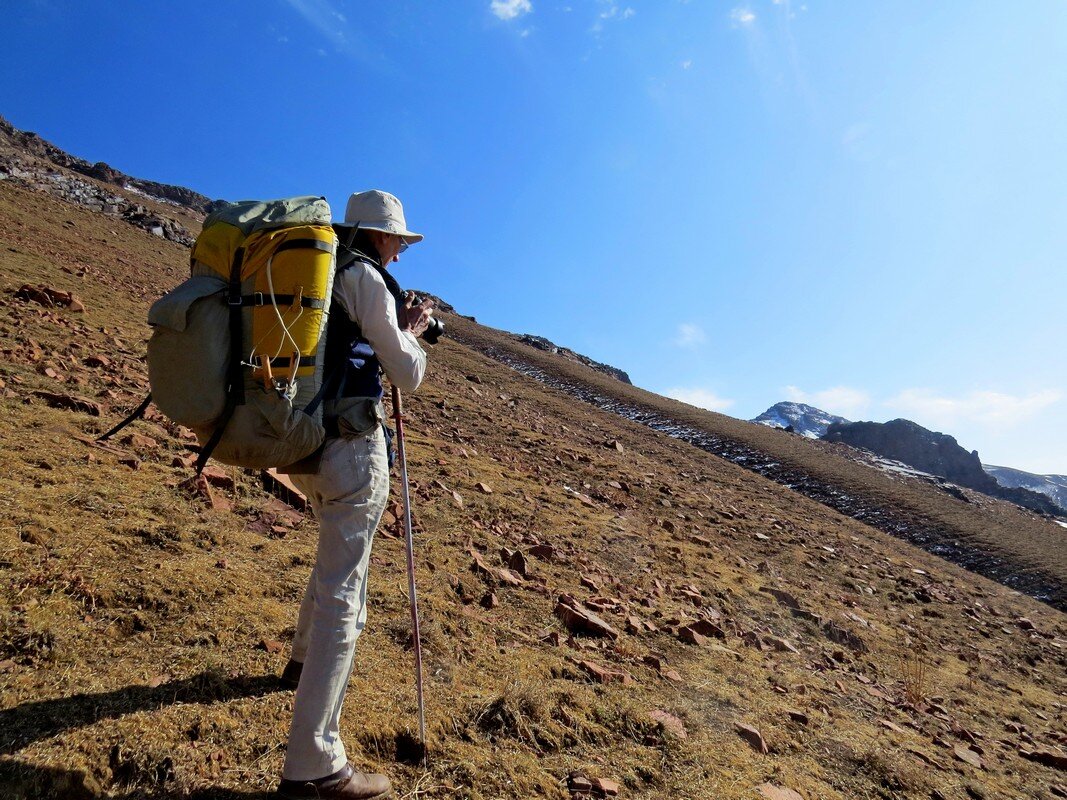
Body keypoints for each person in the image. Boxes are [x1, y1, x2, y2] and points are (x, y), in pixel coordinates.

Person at [276, 190, 434, 800]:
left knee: (330, 562)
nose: (398, 255)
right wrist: (413, 331)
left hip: (306, 443)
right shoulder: (365, 277)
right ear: (381, 236)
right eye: (398, 242)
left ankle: (298, 662)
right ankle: (313, 764)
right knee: (347, 593)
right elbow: (408, 373)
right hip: (351, 447)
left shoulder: (319, 270)